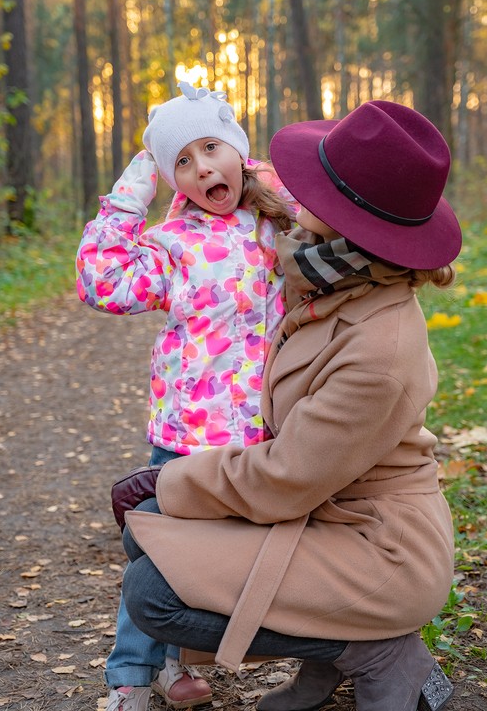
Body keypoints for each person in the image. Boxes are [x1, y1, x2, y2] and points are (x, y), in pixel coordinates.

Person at [119, 99, 462, 711]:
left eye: (317, 185)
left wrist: (166, 477)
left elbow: (286, 479)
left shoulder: (379, 347)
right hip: (326, 515)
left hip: (380, 549)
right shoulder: (328, 275)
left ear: (349, 219)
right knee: (150, 532)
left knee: (153, 591)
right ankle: (324, 658)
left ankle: (382, 654)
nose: (289, 190)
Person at [76, 81, 295, 711]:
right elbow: (103, 282)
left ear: (238, 151)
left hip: (260, 434)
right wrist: (132, 190)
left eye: (211, 147)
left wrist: (264, 177)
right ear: (172, 180)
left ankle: (178, 661)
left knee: (218, 558)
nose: (203, 167)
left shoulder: (275, 226)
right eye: (181, 161)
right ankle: (130, 676)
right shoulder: (172, 246)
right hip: (185, 438)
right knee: (162, 551)